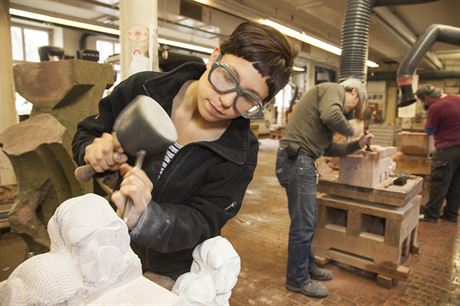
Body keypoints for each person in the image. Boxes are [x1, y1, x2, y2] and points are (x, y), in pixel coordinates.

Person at [72, 21, 297, 288]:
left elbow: (203, 219)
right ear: (214, 57)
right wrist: (93, 150)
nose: (226, 100)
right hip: (101, 247)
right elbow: (86, 133)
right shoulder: (144, 89)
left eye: (247, 97)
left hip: (168, 269)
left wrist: (146, 219)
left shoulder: (240, 152)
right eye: (228, 77)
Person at [275, 78, 373, 298]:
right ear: (353, 92)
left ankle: (307, 267)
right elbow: (332, 115)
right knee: (304, 224)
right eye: (353, 106)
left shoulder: (322, 115)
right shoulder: (333, 89)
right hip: (298, 160)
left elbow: (329, 148)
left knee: (307, 221)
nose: (349, 110)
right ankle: (297, 280)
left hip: (301, 159)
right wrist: (354, 130)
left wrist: (358, 144)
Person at [416, 84, 460, 223]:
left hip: (447, 149)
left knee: (439, 182)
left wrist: (426, 121)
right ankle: (451, 214)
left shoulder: (436, 107)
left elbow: (429, 130)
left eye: (423, 100)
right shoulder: (455, 98)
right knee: (456, 183)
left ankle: (431, 215)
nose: (423, 103)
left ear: (428, 98)